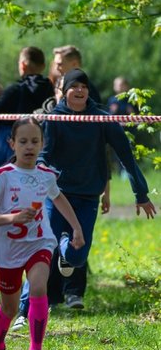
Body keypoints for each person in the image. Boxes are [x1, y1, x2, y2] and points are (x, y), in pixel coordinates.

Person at [0, 117, 85, 350]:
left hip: (39, 242)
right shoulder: (0, 177)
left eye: (35, 141)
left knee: (38, 288)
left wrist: (77, 228)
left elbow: (58, 198)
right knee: (10, 309)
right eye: (23, 141)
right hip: (8, 250)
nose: (29, 146)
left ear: (42, 144)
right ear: (12, 144)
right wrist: (11, 218)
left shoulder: (45, 175)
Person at [38, 70, 155, 309]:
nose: (80, 90)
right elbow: (44, 154)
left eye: (84, 86)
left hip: (87, 197)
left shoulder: (102, 119)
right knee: (46, 250)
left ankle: (65, 250)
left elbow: (126, 157)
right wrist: (37, 169)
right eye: (74, 86)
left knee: (77, 257)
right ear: (64, 91)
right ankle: (37, 304)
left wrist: (140, 193)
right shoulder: (54, 119)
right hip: (58, 195)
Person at [0, 46, 54, 166]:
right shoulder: (49, 89)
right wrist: (3, 95)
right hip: (38, 147)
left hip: (10, 150)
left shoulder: (15, 89)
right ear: (43, 66)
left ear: (23, 65)